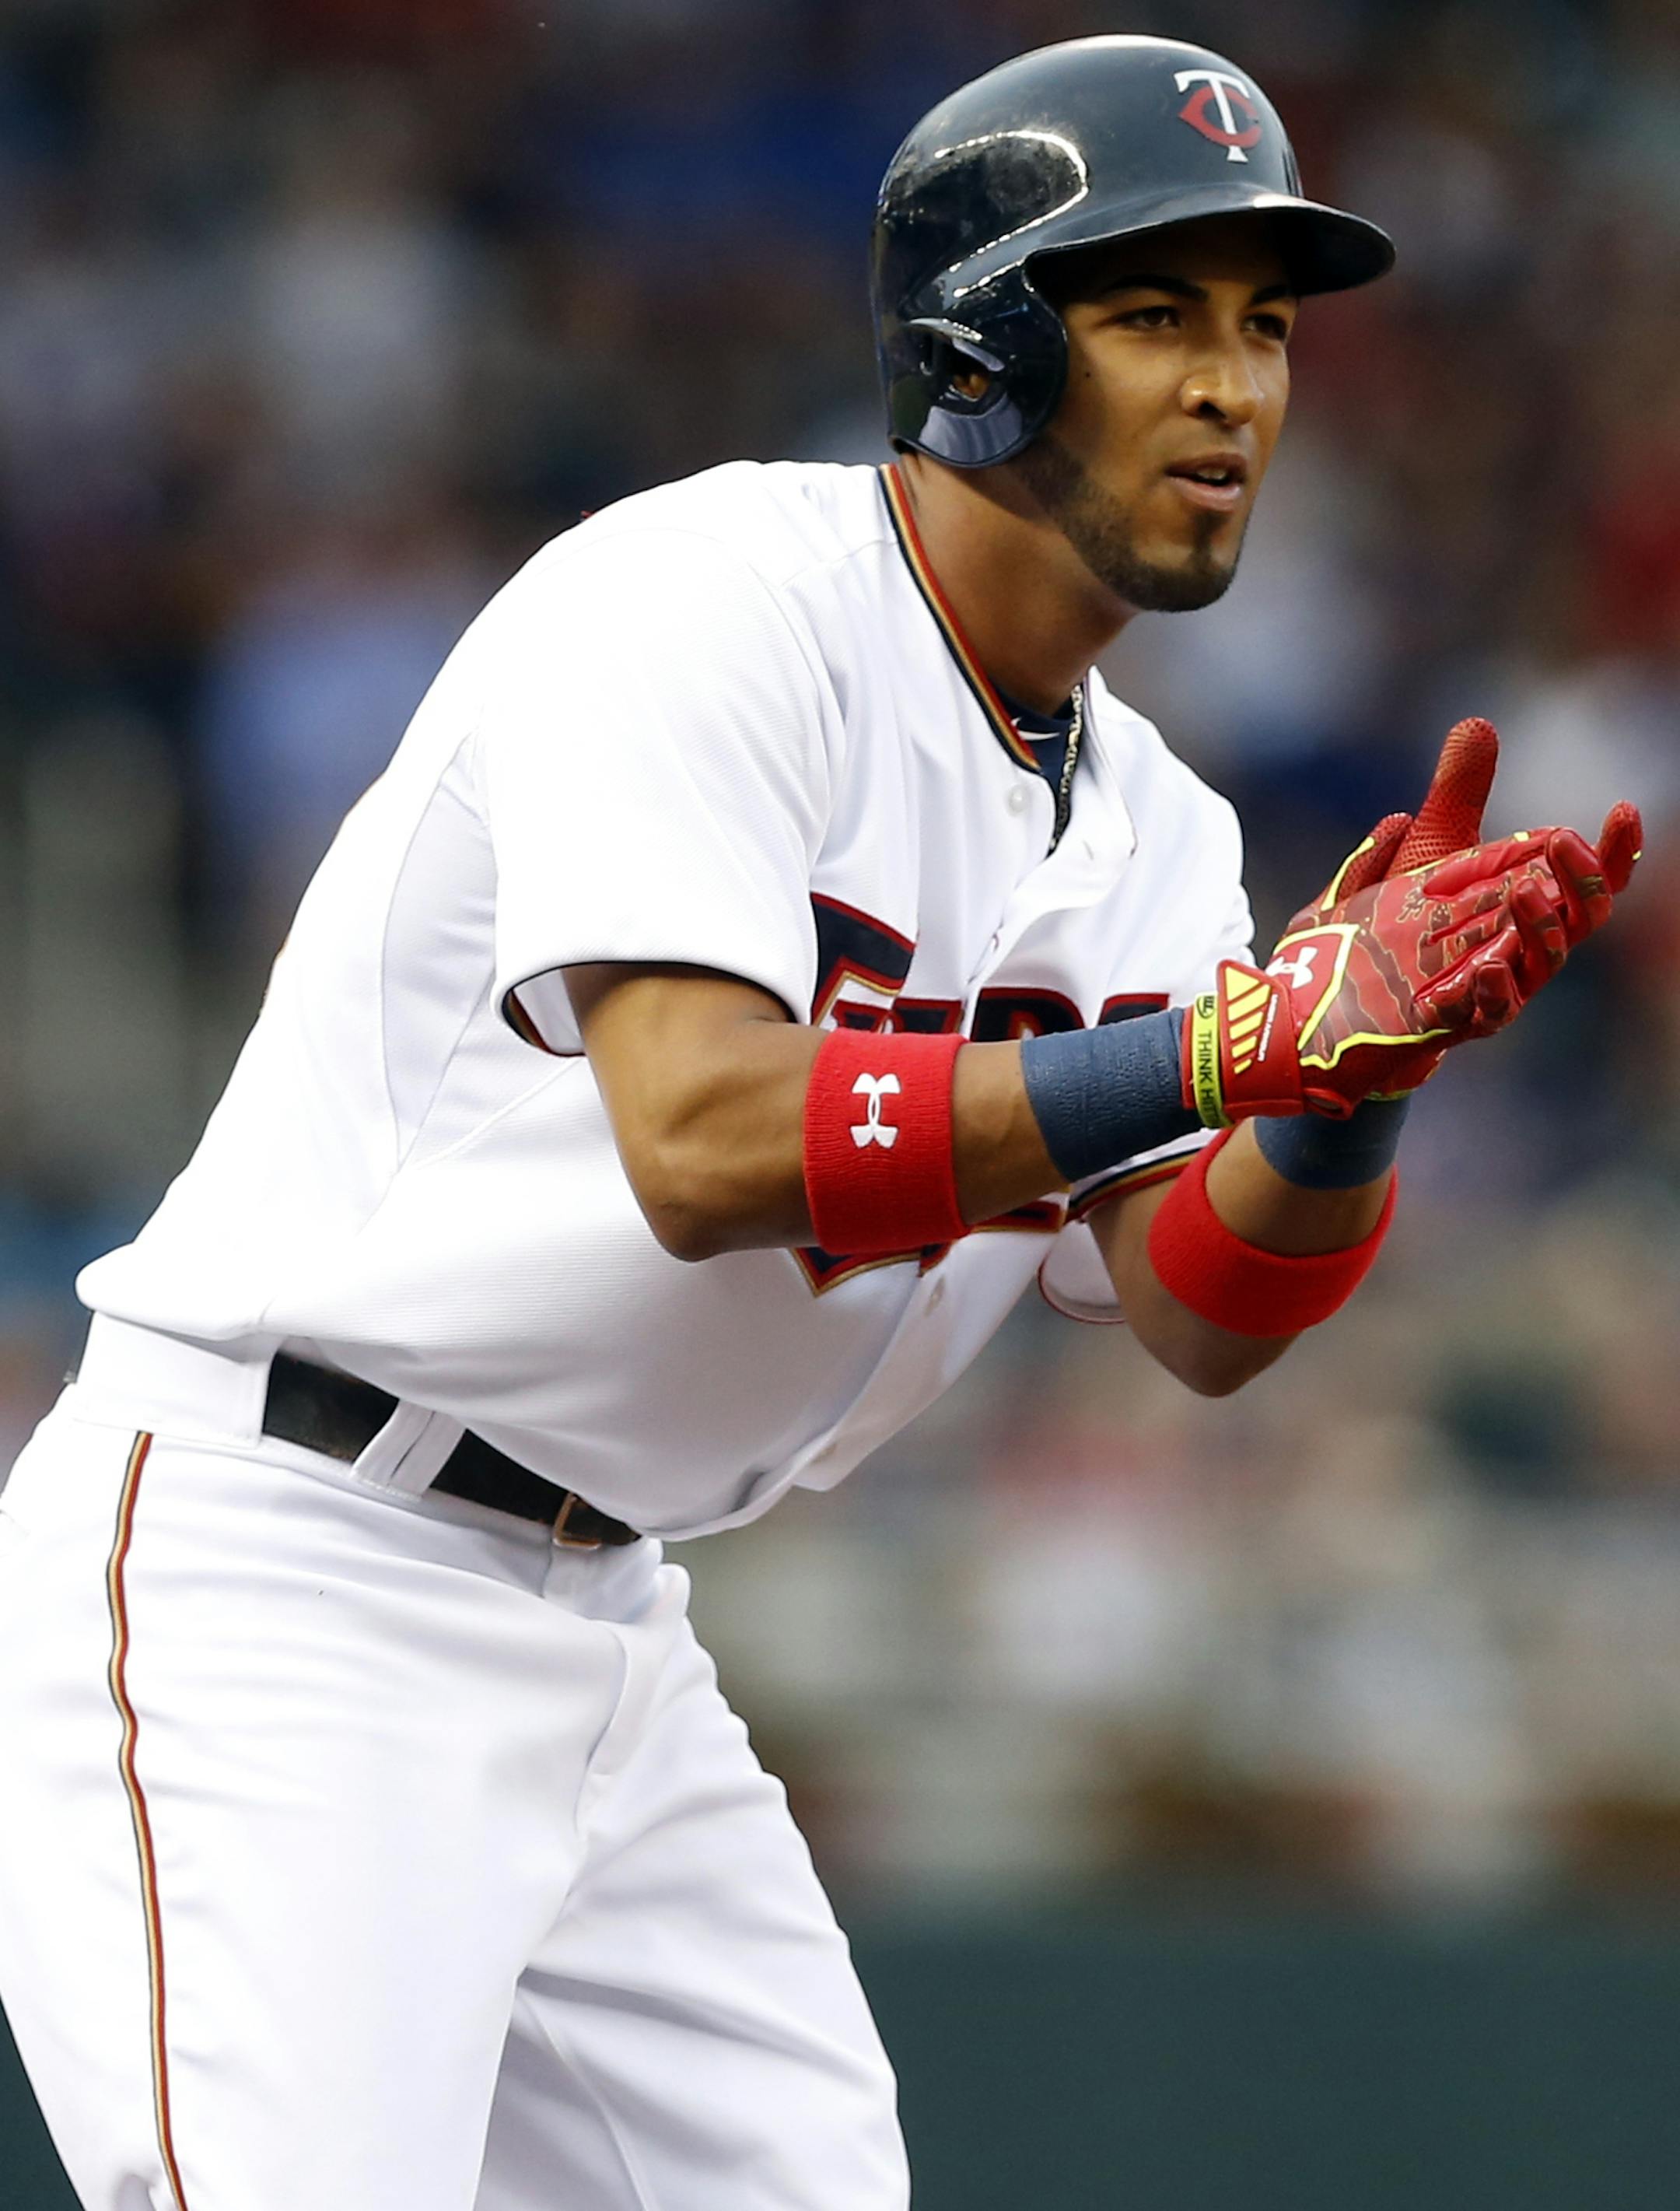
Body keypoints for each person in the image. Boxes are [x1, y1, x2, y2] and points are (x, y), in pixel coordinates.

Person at [0, 33, 1641, 2211]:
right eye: (1157, 314)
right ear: (974, 349)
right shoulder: (707, 603)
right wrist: (1228, 1049)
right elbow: (700, 1144)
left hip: (609, 1620)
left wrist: (1351, 1081)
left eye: (1265, 328)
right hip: (286, 1560)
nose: (1235, 387)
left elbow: (1199, 1309)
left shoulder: (1160, 828)